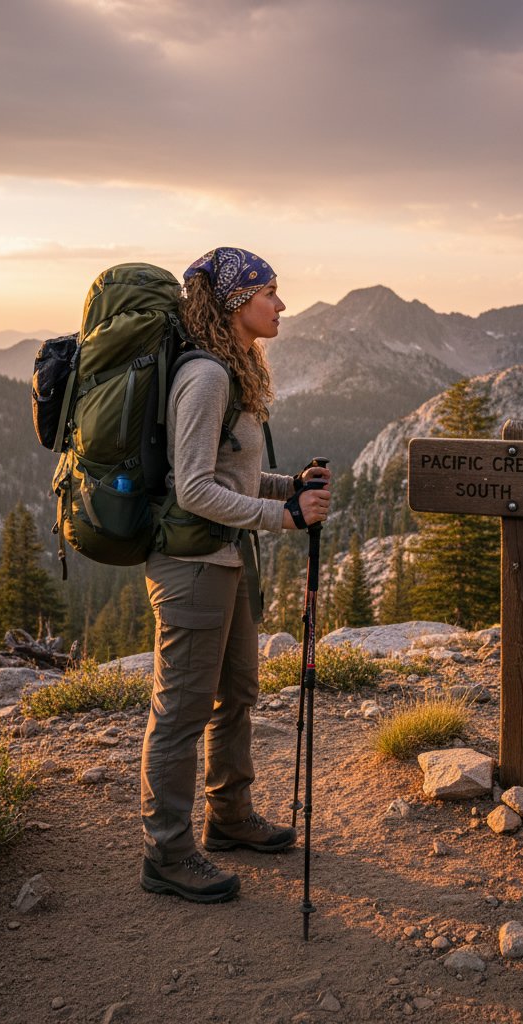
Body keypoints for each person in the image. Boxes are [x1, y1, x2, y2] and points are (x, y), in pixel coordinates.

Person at [139, 246, 331, 904]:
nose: (281, 305)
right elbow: (192, 489)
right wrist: (284, 516)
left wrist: (289, 486)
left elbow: (232, 477)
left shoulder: (233, 370)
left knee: (237, 692)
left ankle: (228, 817)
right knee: (182, 712)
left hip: (227, 560)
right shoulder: (207, 379)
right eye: (268, 292)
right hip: (192, 565)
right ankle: (166, 853)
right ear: (232, 303)